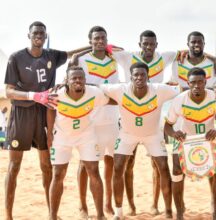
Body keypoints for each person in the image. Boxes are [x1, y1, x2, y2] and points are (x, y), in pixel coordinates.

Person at [4, 21, 89, 220]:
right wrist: (33, 95)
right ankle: (8, 215)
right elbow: (8, 91)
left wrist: (94, 47)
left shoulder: (50, 55)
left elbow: (70, 53)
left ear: (45, 35)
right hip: (21, 114)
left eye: (42, 33)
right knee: (14, 166)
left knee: (46, 166)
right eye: (35, 33)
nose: (39, 36)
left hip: (44, 114)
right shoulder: (16, 57)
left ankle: (52, 214)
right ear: (29, 35)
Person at [99, 62, 178, 219]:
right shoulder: (120, 89)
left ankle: (168, 210)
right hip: (127, 134)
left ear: (148, 76)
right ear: (130, 77)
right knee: (118, 167)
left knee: (163, 168)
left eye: (142, 74)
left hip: (153, 135)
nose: (139, 77)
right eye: (136, 75)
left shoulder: (160, 90)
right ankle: (119, 212)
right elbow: (98, 87)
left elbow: (183, 91)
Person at [111, 30, 178, 215]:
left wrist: (213, 58)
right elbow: (104, 48)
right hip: (128, 123)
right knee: (126, 166)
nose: (148, 47)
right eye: (145, 44)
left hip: (153, 124)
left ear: (157, 44)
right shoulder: (126, 58)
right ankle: (128, 207)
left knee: (160, 167)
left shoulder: (164, 61)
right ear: (139, 44)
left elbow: (186, 54)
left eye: (152, 44)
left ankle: (160, 206)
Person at [164, 67, 216, 220]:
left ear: (205, 82)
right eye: (193, 83)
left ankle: (215, 213)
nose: (197, 86)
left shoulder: (215, 98)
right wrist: (175, 134)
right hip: (185, 139)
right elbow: (167, 126)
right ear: (188, 83)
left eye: (200, 82)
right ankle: (180, 212)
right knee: (176, 170)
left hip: (208, 140)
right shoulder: (179, 100)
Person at [47, 66, 112, 220]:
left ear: (85, 80)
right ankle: (52, 216)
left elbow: (112, 100)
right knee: (58, 174)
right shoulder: (57, 94)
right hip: (62, 136)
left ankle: (100, 215)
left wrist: (129, 98)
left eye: (80, 78)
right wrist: (49, 132)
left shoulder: (94, 93)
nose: (77, 80)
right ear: (67, 81)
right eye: (74, 78)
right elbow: (49, 109)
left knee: (93, 171)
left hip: (86, 135)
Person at [72, 26, 120, 216]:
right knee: (85, 164)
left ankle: (108, 203)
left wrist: (111, 48)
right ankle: (83, 205)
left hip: (112, 118)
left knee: (110, 162)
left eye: (103, 38)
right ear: (90, 40)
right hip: (90, 119)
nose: (100, 41)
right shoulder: (81, 60)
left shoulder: (115, 59)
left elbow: (124, 52)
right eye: (96, 38)